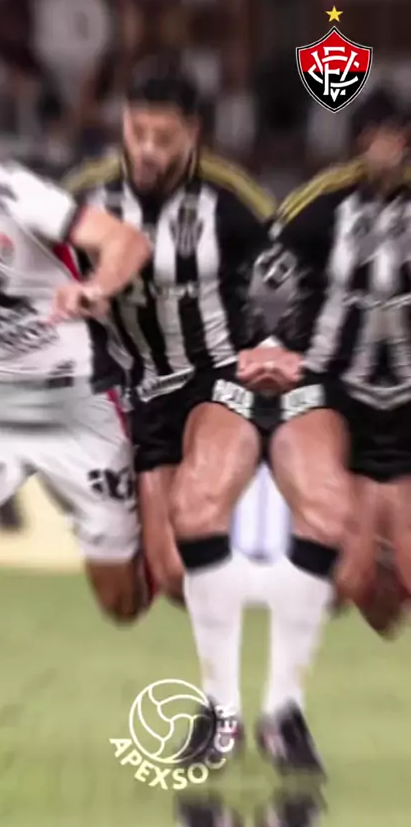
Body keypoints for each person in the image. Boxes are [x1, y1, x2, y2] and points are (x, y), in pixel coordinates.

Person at [63, 61, 307, 765]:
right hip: (143, 396)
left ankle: (235, 712)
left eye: (163, 138)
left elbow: (288, 287)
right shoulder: (85, 199)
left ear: (193, 133)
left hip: (216, 382)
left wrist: (275, 346)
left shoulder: (235, 202)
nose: (146, 150)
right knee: (168, 574)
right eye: (137, 132)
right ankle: (289, 597)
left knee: (196, 515)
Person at [0, 91, 154, 622]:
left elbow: (127, 243)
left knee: (121, 601)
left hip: (71, 394)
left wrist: (96, 288)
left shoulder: (15, 194)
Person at [239, 87, 411, 773]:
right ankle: (278, 712)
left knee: (382, 599)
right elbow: (268, 280)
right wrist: (272, 346)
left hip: (406, 408)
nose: (388, 149)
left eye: (398, 137)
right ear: (360, 140)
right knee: (344, 573)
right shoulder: (318, 207)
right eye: (377, 136)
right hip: (336, 400)